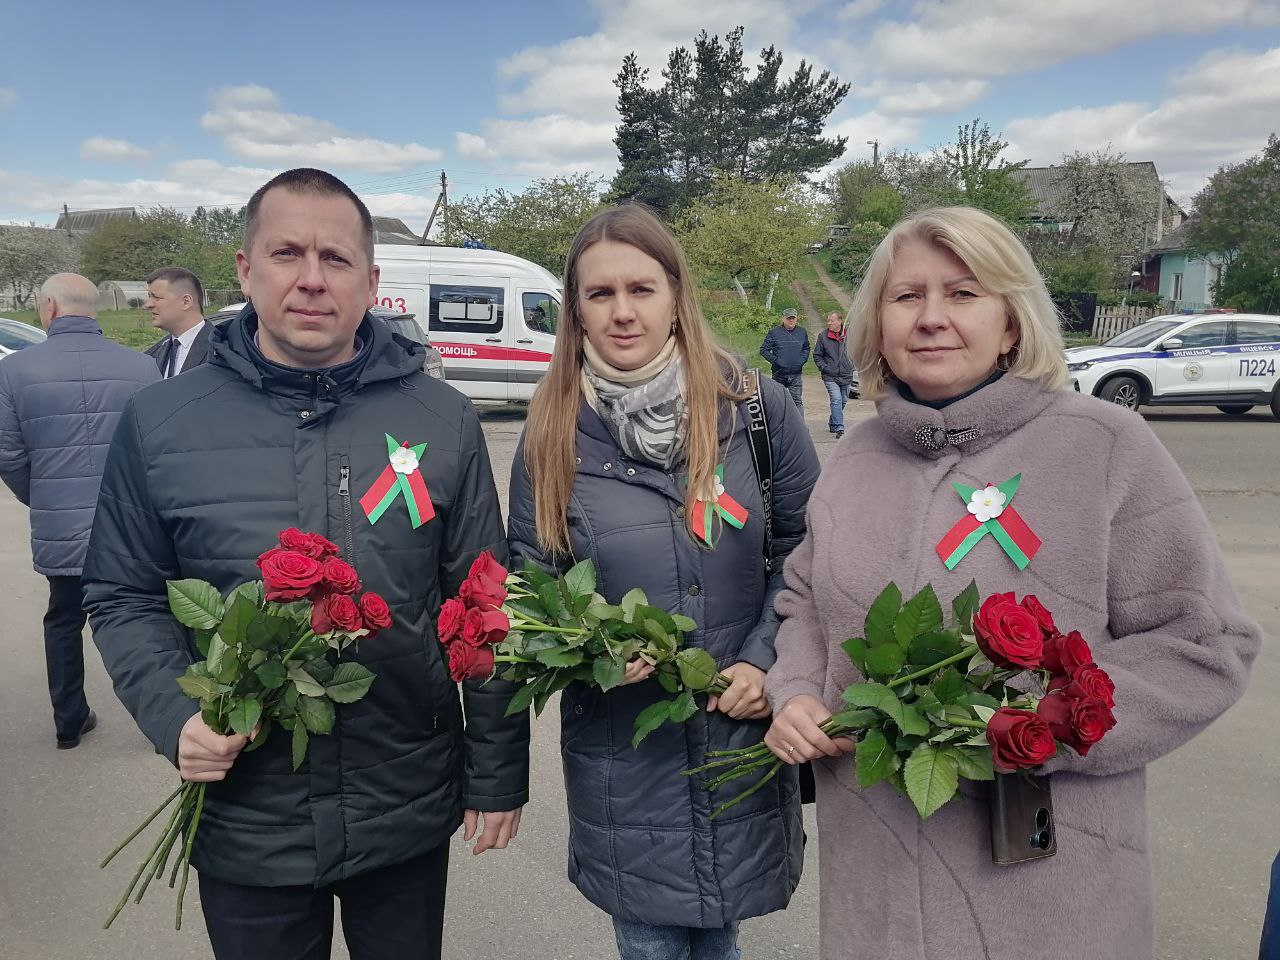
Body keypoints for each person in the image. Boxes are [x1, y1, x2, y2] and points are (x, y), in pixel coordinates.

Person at [762, 206, 1260, 960]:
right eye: (906, 298)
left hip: (1046, 887)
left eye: (963, 294)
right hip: (877, 883)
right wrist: (794, 690)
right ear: (876, 325)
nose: (931, 318)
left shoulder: (1103, 446)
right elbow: (804, 602)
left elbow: (1204, 644)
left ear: (1013, 321)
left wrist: (1041, 726)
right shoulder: (857, 458)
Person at [82, 168, 528, 960]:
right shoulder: (161, 421)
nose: (312, 279)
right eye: (287, 253)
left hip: (405, 800)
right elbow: (123, 595)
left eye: (336, 258)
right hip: (248, 811)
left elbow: (482, 606)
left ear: (372, 281)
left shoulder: (440, 417)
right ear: (246, 270)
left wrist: (496, 773)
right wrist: (172, 715)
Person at [508, 205, 820, 960]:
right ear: (575, 311)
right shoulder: (551, 433)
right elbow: (531, 587)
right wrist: (593, 652)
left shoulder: (754, 412)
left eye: (641, 289)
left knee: (720, 937)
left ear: (676, 294)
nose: (622, 312)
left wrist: (763, 658)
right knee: (648, 942)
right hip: (625, 754)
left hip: (737, 729)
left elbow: (806, 552)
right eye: (599, 294)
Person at [0, 273, 158, 748]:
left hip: (62, 522)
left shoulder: (14, 370)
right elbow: (157, 450)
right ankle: (163, 723)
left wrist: (44, 495)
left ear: (49, 306)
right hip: (130, 525)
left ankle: (69, 721)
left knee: (64, 618)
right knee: (147, 617)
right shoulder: (142, 367)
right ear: (94, 309)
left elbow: (8, 455)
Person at [143, 266, 211, 377]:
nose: (148, 305)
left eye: (156, 297)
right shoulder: (153, 354)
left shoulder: (223, 349)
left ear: (186, 302)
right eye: (149, 297)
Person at [811, 311, 855, 438]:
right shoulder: (823, 336)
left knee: (843, 400)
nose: (828, 323)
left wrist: (852, 365)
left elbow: (857, 351)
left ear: (840, 321)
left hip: (846, 374)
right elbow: (817, 355)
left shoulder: (849, 335)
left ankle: (832, 422)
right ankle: (840, 428)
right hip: (830, 376)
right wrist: (825, 368)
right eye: (828, 320)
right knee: (836, 399)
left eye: (831, 320)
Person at [759, 307, 809, 414]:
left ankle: (799, 428)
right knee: (777, 402)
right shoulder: (774, 332)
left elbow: (806, 348)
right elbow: (764, 350)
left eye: (793, 318)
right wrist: (776, 361)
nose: (791, 320)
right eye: (788, 318)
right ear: (783, 319)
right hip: (779, 374)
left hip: (796, 374)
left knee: (797, 401)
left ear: (796, 319)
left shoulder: (802, 332)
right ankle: (778, 427)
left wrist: (802, 360)